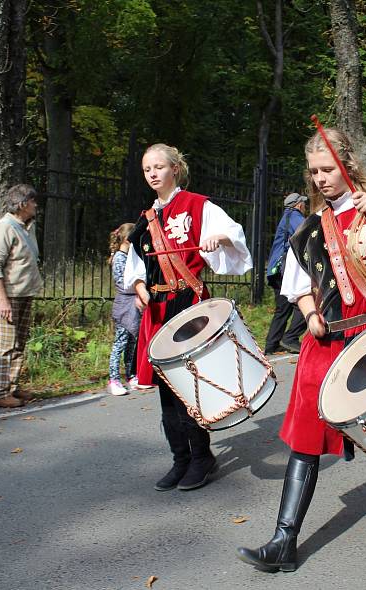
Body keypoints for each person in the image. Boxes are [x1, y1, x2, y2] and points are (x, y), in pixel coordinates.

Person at [236, 127, 366, 572]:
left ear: (348, 167)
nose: (321, 178)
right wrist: (311, 312)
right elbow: (297, 287)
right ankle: (284, 541)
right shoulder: (309, 229)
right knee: (305, 438)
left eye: (329, 169)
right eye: (315, 171)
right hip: (323, 345)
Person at [124, 143, 252, 491]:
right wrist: (139, 287)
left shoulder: (198, 205)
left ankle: (201, 458)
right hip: (157, 311)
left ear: (174, 169)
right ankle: (180, 458)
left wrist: (218, 237)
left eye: (159, 167)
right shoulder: (145, 219)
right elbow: (135, 267)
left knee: (189, 387)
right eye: (147, 168)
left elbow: (236, 238)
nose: (152, 173)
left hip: (188, 305)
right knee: (166, 390)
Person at [0, 184, 43, 408]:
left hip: (24, 293)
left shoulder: (27, 226)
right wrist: (2, 300)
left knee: (19, 343)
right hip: (8, 296)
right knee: (5, 344)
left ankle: (12, 387)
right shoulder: (5, 228)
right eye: (33, 201)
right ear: (22, 204)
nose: (36, 204)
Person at [263, 193, 308, 354]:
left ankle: (271, 344)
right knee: (303, 301)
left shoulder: (285, 217)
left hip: (275, 270)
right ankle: (290, 338)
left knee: (283, 308)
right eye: (303, 204)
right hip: (284, 270)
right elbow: (307, 231)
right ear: (298, 205)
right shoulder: (294, 215)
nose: (305, 206)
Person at [107, 223, 142, 396]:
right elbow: (123, 283)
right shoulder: (119, 258)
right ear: (129, 239)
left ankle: (131, 375)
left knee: (131, 343)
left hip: (133, 304)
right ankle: (114, 379)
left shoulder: (130, 257)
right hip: (125, 305)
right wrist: (139, 288)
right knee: (120, 342)